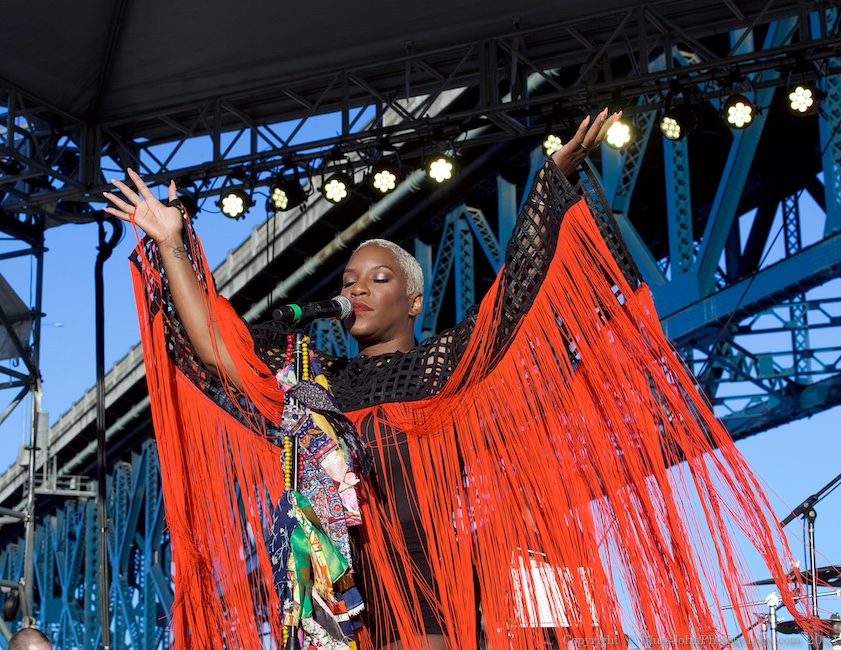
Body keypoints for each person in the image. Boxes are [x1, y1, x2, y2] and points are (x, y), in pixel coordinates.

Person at [104, 110, 817, 650]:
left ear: (413, 300)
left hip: (434, 586)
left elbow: (513, 303)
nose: (356, 289)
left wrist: (552, 183)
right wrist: (172, 244)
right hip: (344, 601)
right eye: (348, 280)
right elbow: (227, 358)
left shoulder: (444, 363)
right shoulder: (320, 385)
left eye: (377, 278)